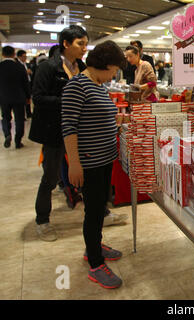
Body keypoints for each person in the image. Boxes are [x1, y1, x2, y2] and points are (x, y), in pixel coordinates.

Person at [62, 40, 127, 289]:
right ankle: (95, 263)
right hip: (89, 162)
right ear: (106, 65)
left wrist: (116, 124)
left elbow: (98, 117)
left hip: (103, 159)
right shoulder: (77, 86)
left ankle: (94, 246)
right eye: (114, 69)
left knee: (99, 208)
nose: (114, 74)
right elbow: (68, 126)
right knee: (93, 211)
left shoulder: (98, 85)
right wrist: (74, 164)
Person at [29, 25, 89, 241]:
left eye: (85, 44)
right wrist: (67, 101)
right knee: (51, 176)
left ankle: (100, 212)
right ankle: (42, 220)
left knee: (86, 172)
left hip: (78, 130)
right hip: (53, 131)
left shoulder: (81, 67)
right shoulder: (48, 67)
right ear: (66, 43)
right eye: (79, 43)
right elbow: (38, 98)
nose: (84, 48)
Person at [0, 46, 30, 149]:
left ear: (3, 54)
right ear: (14, 54)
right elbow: (25, 83)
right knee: (19, 119)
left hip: (3, 97)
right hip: (19, 96)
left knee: (5, 118)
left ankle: (7, 134)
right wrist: (28, 96)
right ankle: (18, 141)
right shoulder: (19, 67)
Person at [16, 49, 33, 119]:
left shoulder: (26, 64)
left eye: (25, 56)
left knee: (28, 98)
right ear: (19, 57)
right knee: (23, 99)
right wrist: (25, 72)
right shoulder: (17, 65)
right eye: (23, 56)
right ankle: (23, 115)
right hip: (21, 85)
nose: (25, 58)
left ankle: (29, 113)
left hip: (28, 83)